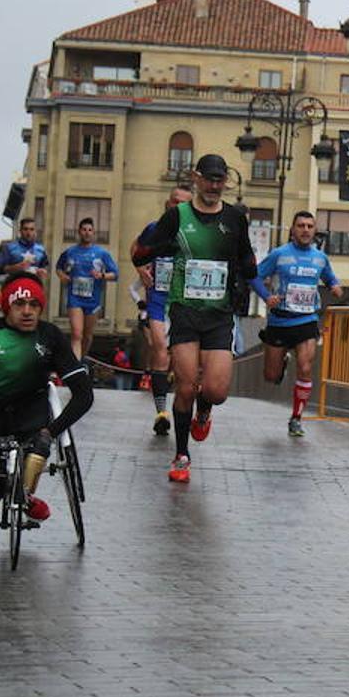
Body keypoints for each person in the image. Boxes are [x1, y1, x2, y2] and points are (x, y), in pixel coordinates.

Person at [132, 154, 257, 483]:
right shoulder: (177, 216)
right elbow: (147, 248)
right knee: (186, 385)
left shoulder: (233, 219)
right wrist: (146, 254)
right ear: (196, 178)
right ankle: (181, 454)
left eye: (220, 181)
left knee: (216, 391)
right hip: (184, 311)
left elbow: (245, 256)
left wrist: (248, 269)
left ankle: (205, 410)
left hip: (219, 314)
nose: (215, 186)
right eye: (210, 179)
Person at [0, 273, 93, 527]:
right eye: (19, 305)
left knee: (40, 446)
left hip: (31, 408)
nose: (27, 312)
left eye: (34, 305)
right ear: (5, 307)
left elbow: (84, 395)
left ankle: (21, 494)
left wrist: (52, 431)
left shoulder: (51, 336)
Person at [254, 210, 344, 437]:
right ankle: (282, 361)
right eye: (301, 226)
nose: (305, 230)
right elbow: (253, 276)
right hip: (279, 321)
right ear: (292, 230)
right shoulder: (279, 254)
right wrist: (266, 297)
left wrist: (335, 286)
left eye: (309, 226)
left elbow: (330, 278)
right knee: (270, 376)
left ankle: (296, 418)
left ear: (315, 231)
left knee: (305, 368)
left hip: (306, 320)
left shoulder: (320, 258)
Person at [133, 185, 192, 436]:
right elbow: (136, 250)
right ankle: (161, 413)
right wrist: (141, 270)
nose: (176, 206)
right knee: (159, 350)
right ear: (167, 203)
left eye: (182, 203)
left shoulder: (193, 232)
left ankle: (183, 409)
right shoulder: (153, 229)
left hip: (183, 302)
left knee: (181, 361)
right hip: (157, 298)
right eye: (173, 201)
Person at [56, 217, 118, 359]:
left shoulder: (102, 253)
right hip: (75, 299)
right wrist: (62, 276)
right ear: (79, 232)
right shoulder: (70, 252)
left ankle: (81, 359)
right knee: (77, 334)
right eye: (84, 230)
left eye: (90, 230)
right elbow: (58, 267)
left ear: (94, 233)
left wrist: (102, 276)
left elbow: (115, 274)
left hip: (93, 300)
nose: (87, 233)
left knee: (87, 336)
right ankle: (75, 366)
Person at [0, 217, 50, 283]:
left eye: (31, 229)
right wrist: (15, 268)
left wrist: (42, 271)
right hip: (14, 287)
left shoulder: (41, 250)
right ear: (20, 231)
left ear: (35, 231)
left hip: (34, 287)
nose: (28, 232)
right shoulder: (9, 247)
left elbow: (46, 268)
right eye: (25, 229)